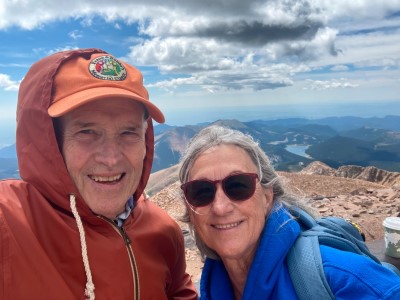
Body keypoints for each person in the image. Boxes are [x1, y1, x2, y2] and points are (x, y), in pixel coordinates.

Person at [0, 48, 197, 300]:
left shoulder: (163, 231)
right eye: (87, 132)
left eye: (128, 132)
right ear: (48, 141)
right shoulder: (9, 225)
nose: (111, 157)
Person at [178, 125, 400, 299]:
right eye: (201, 191)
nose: (220, 206)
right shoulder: (214, 285)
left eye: (238, 186)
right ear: (190, 208)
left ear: (267, 196)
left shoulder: (344, 278)